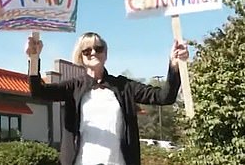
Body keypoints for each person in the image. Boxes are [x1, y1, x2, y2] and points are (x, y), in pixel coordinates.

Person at [26, 32, 189, 165]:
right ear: (80, 56)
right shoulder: (73, 87)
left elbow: (164, 97)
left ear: (105, 53)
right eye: (87, 50)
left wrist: (174, 65)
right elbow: (38, 92)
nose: (93, 52)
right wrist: (34, 59)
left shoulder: (123, 86)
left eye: (98, 48)